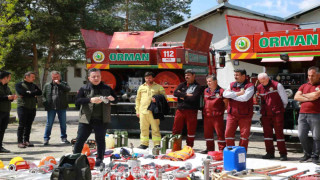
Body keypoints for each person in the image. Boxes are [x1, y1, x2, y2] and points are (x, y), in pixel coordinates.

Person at [73, 68, 117, 167]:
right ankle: (75, 159)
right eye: (93, 76)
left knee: (100, 140)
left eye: (98, 76)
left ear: (101, 77)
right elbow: (77, 102)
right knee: (80, 139)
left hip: (102, 119)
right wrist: (90, 100)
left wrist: (112, 99)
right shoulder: (84, 88)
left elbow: (116, 100)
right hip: (86, 119)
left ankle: (99, 160)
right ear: (89, 78)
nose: (96, 78)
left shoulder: (107, 88)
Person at [257, 73, 288, 161]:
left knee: (279, 134)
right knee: (267, 135)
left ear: (267, 79)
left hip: (277, 113)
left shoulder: (277, 85)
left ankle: (283, 154)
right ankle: (270, 153)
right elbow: (260, 100)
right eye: (260, 82)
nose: (262, 83)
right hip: (265, 114)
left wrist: (281, 109)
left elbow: (284, 99)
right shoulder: (259, 87)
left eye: (263, 81)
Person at [223, 69, 255, 151]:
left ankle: (241, 152)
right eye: (234, 75)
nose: (235, 77)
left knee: (244, 136)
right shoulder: (232, 84)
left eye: (237, 75)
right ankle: (231, 151)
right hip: (232, 114)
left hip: (245, 115)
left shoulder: (250, 85)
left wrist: (232, 95)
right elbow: (225, 94)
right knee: (228, 134)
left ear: (243, 76)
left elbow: (244, 98)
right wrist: (238, 93)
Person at [294, 66, 320, 164]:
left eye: (312, 76)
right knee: (301, 135)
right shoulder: (304, 85)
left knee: (317, 137)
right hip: (302, 114)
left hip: (316, 114)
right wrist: (309, 97)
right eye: (309, 75)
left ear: (318, 75)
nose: (310, 78)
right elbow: (296, 97)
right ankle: (307, 153)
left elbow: (316, 96)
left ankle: (316, 155)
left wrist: (303, 96)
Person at [135, 72, 166, 149]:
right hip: (143, 112)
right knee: (143, 129)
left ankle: (156, 144)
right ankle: (144, 144)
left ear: (153, 78)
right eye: (146, 78)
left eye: (150, 78)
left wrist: (157, 99)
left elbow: (164, 97)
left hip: (154, 112)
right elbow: (138, 99)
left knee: (155, 129)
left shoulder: (159, 87)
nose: (148, 80)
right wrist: (137, 111)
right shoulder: (141, 87)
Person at [172, 69, 203, 147]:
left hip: (191, 111)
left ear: (193, 76)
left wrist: (181, 95)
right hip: (180, 110)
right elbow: (175, 93)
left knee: (191, 130)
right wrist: (186, 95)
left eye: (188, 75)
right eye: (185, 75)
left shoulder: (198, 87)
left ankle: (189, 146)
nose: (186, 77)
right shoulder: (182, 85)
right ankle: (176, 146)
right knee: (176, 129)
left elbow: (194, 98)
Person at [42, 71, 71, 145]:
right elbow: (43, 95)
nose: (56, 79)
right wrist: (45, 103)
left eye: (57, 77)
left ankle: (63, 138)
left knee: (63, 123)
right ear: (52, 77)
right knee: (49, 123)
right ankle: (46, 139)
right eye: (54, 77)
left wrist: (59, 84)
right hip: (51, 107)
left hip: (62, 107)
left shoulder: (64, 83)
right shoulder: (47, 85)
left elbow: (68, 89)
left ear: (60, 77)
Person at [201, 74, 227, 154]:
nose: (208, 83)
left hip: (217, 117)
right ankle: (209, 149)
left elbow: (226, 104)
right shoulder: (206, 90)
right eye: (207, 81)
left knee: (220, 134)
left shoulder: (221, 91)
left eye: (210, 81)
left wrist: (220, 112)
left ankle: (222, 150)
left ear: (215, 81)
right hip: (207, 116)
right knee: (208, 134)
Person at [15, 71, 42, 148]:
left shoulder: (33, 85)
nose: (34, 78)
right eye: (32, 77)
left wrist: (29, 93)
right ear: (27, 77)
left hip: (32, 107)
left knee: (29, 125)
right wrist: (33, 93)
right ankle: (20, 142)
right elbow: (22, 93)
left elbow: (40, 92)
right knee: (22, 125)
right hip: (23, 107)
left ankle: (26, 140)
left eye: (34, 77)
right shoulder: (19, 84)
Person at [0, 71, 17, 153]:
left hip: (6, 111)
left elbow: (9, 98)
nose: (10, 79)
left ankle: (0, 147)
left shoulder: (7, 87)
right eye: (9, 77)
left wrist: (12, 97)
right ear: (4, 78)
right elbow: (3, 97)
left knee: (2, 129)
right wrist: (7, 97)